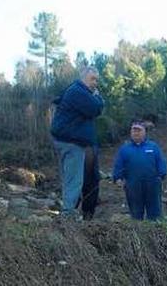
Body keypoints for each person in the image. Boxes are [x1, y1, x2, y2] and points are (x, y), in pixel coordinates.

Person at [50, 66, 104, 218]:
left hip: (70, 142)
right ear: (83, 78)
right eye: (93, 79)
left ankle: (71, 212)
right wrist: (98, 97)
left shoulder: (76, 91)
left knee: (74, 178)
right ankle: (68, 214)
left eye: (97, 80)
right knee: (74, 180)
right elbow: (95, 109)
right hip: (71, 143)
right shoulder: (78, 91)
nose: (95, 83)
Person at [112, 121, 167, 221]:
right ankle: (138, 230)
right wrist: (118, 178)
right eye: (134, 130)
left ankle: (154, 230)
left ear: (144, 132)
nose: (136, 133)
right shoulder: (125, 149)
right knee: (135, 211)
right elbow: (118, 165)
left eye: (139, 130)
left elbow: (161, 161)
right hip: (133, 184)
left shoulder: (153, 147)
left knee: (154, 211)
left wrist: (161, 175)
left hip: (152, 183)